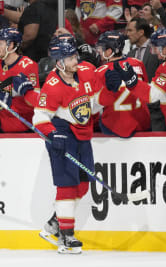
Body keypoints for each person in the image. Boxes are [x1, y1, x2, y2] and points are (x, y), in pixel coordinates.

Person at [33, 34, 102, 254]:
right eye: (71, 58)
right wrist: (53, 135)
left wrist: (108, 91)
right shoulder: (52, 86)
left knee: (82, 185)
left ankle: (54, 224)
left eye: (76, 56)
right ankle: (66, 237)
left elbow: (94, 104)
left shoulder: (84, 73)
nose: (76, 61)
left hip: (82, 135)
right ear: (59, 61)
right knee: (67, 187)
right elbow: (39, 117)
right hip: (62, 136)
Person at [94, 30, 150, 137]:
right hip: (142, 123)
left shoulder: (100, 72)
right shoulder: (137, 63)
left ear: (109, 51)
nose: (99, 51)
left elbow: (96, 105)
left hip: (114, 125)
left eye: (101, 48)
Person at [0, 27, 39, 133]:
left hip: (24, 127)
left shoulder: (28, 66)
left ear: (11, 45)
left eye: (0, 44)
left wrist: (24, 92)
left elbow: (36, 102)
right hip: (3, 126)